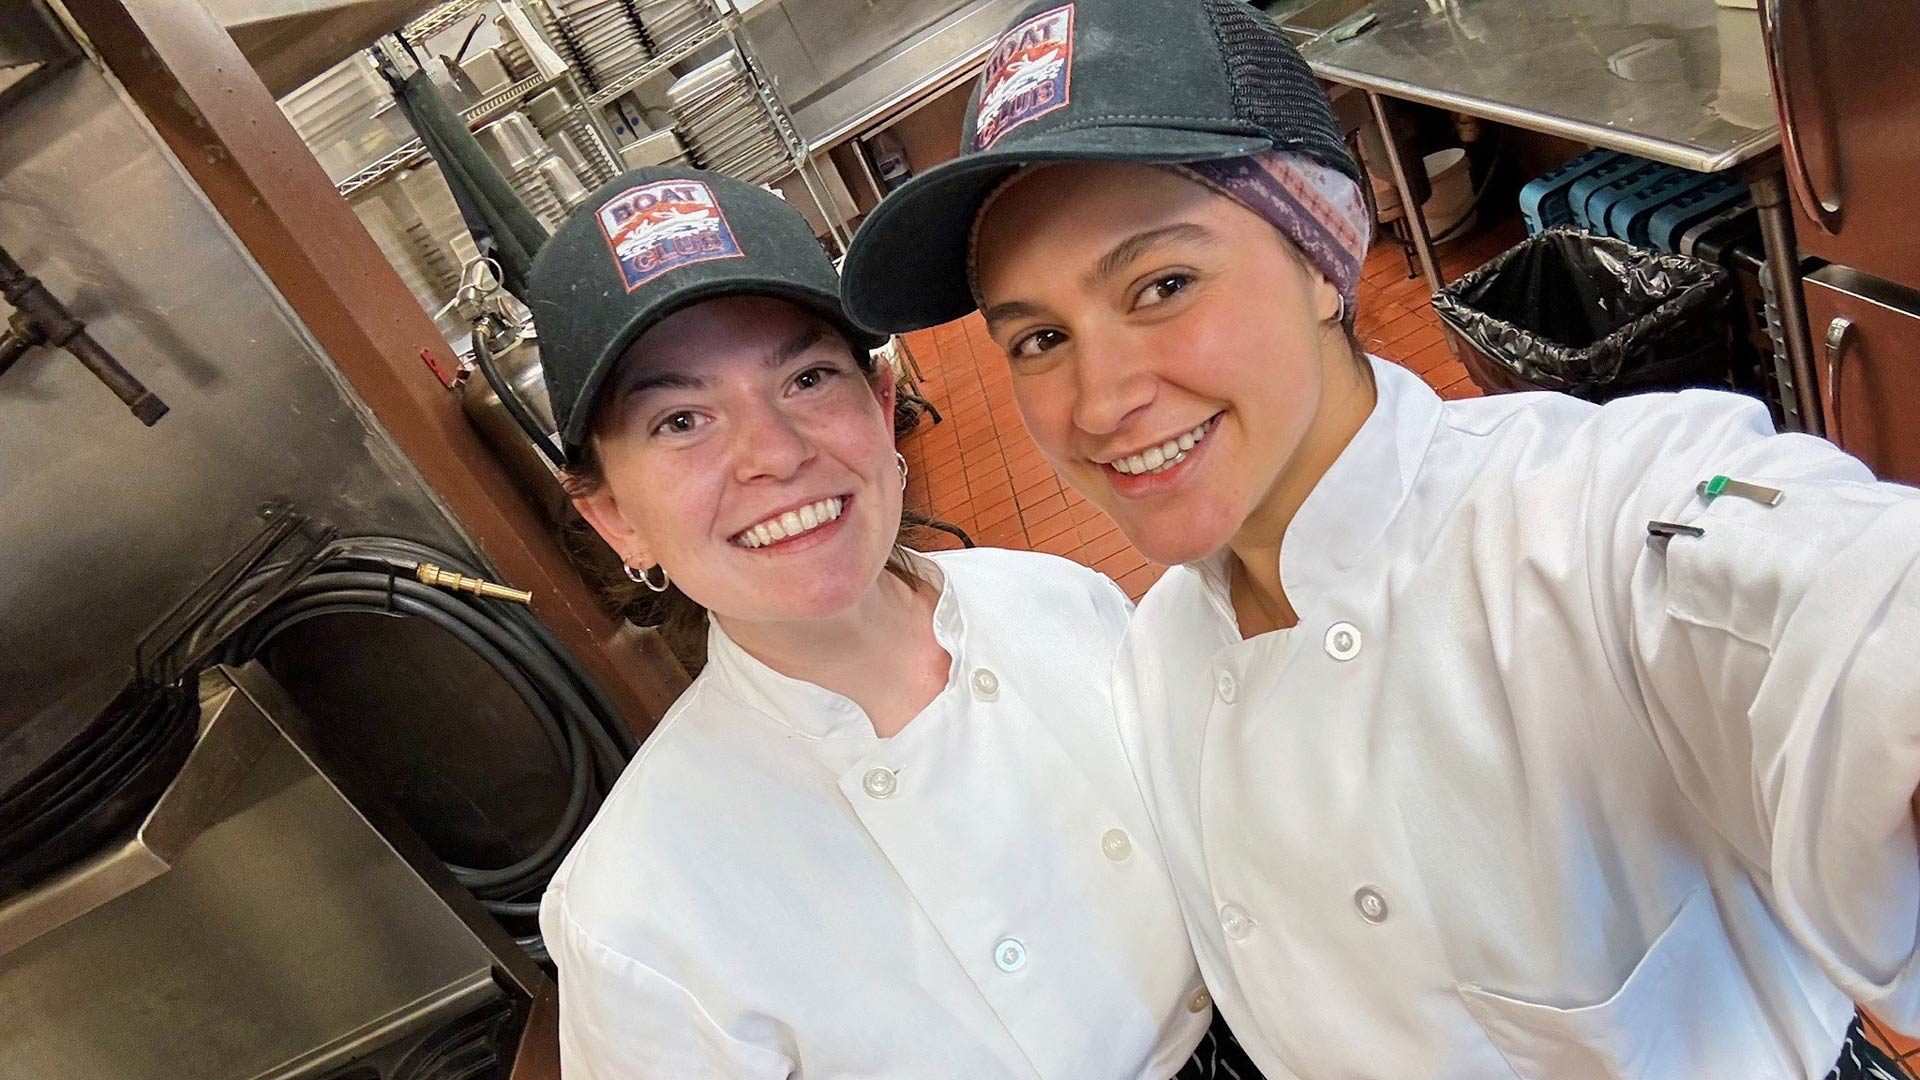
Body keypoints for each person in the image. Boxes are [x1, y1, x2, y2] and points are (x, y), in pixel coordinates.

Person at [837, 2, 1920, 1077]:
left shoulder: (1581, 520)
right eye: (1039, 339)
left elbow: (1846, 611)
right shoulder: (1160, 653)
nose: (1101, 398)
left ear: (1323, 251)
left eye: (1162, 284)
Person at [527, 167, 1260, 1078]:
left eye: (806, 378)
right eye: (680, 419)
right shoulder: (636, 916)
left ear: (881, 409)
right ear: (614, 518)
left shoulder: (1059, 602)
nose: (776, 455)